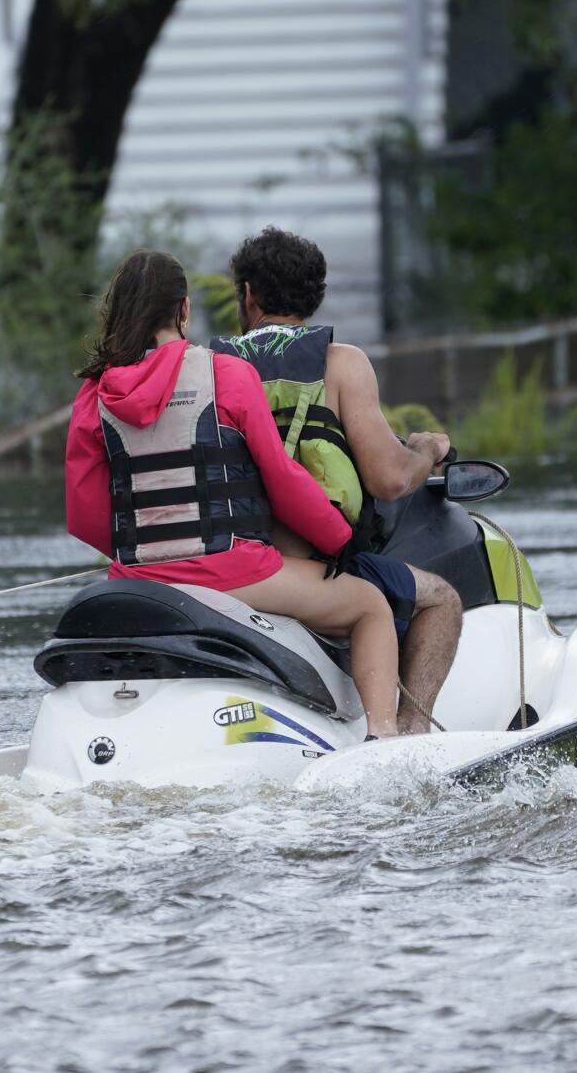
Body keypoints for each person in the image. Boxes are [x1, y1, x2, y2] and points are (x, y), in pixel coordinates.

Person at [65, 248, 405, 738]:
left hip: (138, 578)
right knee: (370, 605)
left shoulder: (94, 393)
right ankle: (384, 741)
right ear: (184, 310)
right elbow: (282, 480)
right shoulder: (224, 373)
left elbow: (84, 516)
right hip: (232, 571)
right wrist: (337, 540)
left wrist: (152, 555)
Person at [212, 227, 462, 733]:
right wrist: (425, 450)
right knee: (441, 599)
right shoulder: (341, 364)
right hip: (304, 566)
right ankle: (410, 734)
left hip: (225, 560)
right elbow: (389, 480)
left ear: (247, 295)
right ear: (315, 297)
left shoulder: (211, 368)